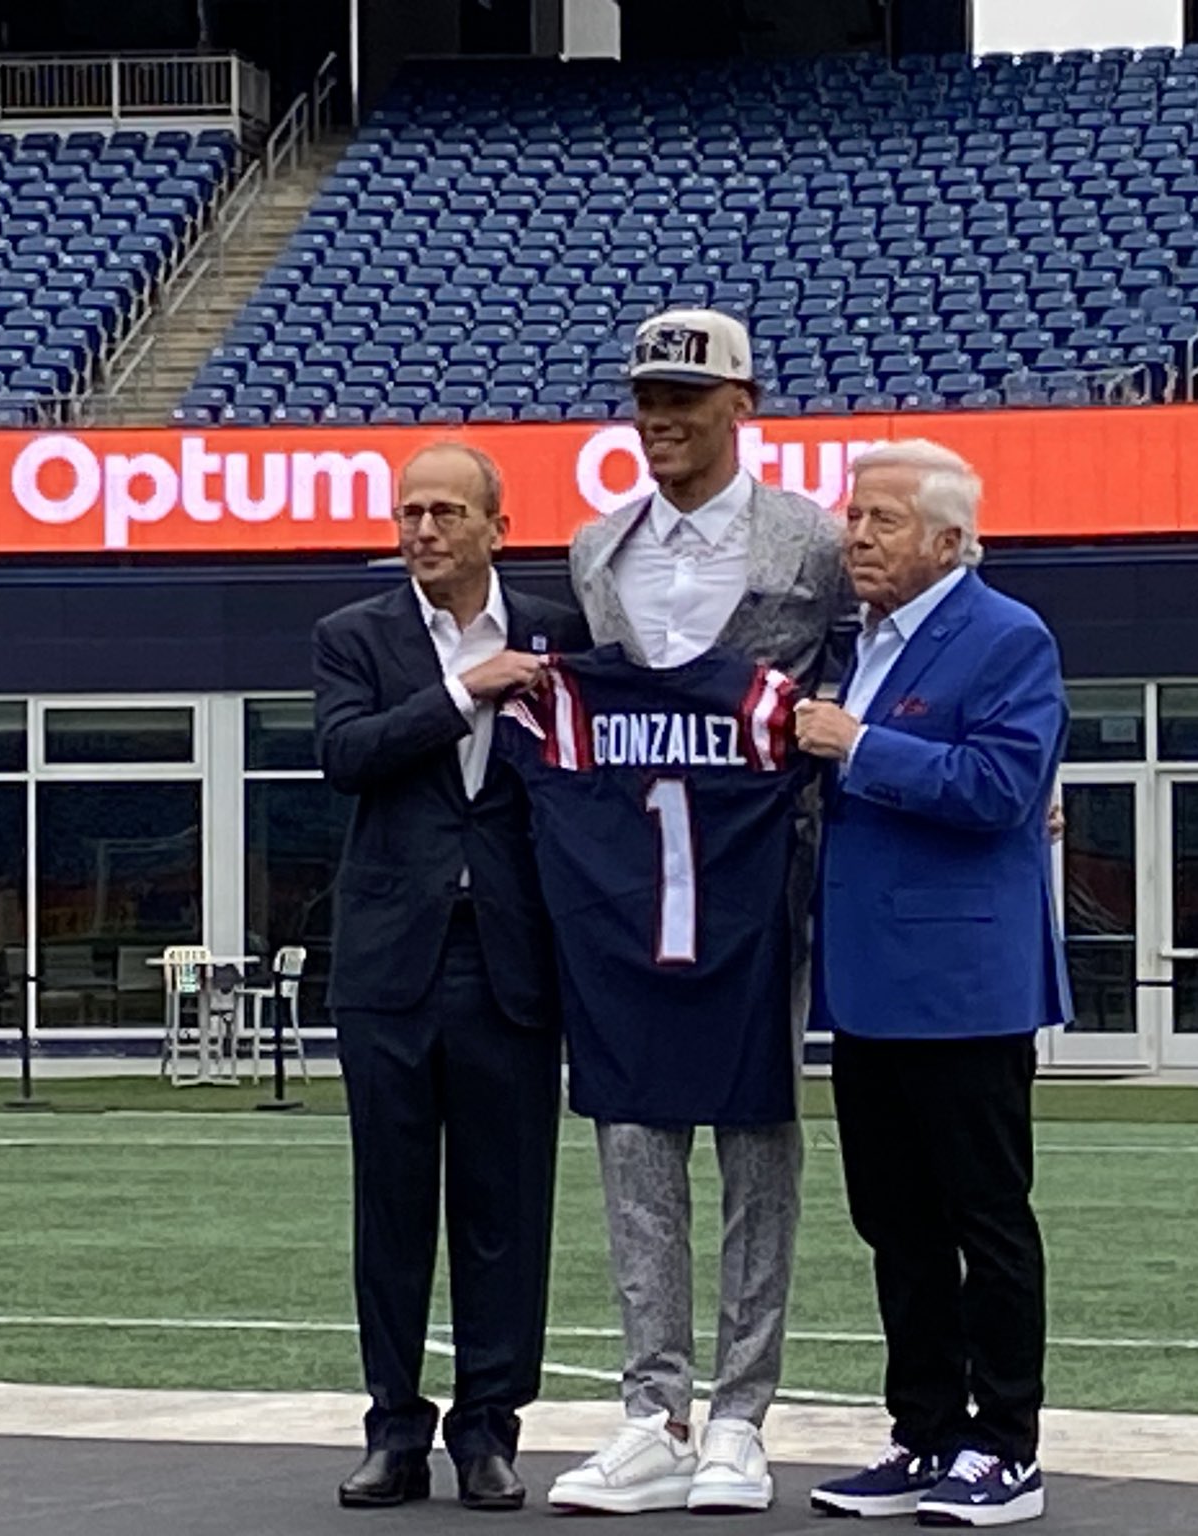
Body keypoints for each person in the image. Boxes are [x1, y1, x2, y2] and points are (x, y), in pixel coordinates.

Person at [548, 308, 850, 1515]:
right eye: (643, 397)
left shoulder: (816, 544)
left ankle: (740, 1412)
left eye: (684, 394)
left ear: (741, 400)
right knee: (630, 1139)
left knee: (757, 1140)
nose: (659, 418)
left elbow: (872, 676)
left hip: (760, 883)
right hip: (631, 888)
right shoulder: (593, 548)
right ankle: (649, 1409)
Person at [795, 440, 1071, 1528]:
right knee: (893, 1222)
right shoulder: (852, 643)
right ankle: (921, 1432)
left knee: (983, 1221)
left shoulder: (1005, 637)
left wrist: (856, 744)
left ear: (949, 541)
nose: (855, 536)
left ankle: (1003, 1447)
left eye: (883, 520)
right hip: (868, 982)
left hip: (963, 982)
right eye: (853, 517)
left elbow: (1000, 788)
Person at [314, 443, 588, 1512]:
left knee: (503, 1210)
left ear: (494, 526)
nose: (421, 530)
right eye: (407, 513)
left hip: (508, 961)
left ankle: (488, 1431)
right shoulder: (355, 637)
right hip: (388, 966)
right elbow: (347, 755)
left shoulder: (555, 635)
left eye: (443, 512)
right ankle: (392, 1428)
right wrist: (460, 691)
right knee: (389, 1209)